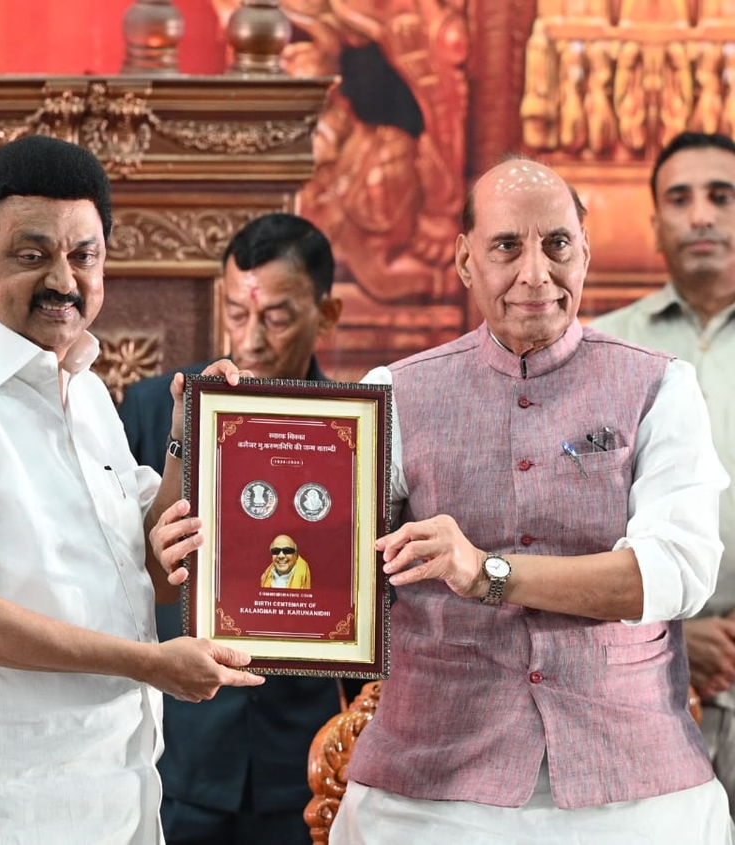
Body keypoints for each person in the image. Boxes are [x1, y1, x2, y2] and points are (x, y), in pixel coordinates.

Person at [158, 158, 734, 842]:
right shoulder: (395, 393)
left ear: (585, 251)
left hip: (633, 778)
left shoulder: (660, 386)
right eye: (505, 246)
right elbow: (318, 559)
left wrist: (486, 572)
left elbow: (674, 574)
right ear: (465, 261)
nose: (534, 274)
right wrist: (213, 479)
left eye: (556, 244)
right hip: (431, 778)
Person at [0, 135, 264, 845]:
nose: (64, 278)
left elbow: (151, 571)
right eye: (31, 254)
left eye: (85, 254)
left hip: (117, 787)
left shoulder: (83, 391)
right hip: (5, 805)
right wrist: (151, 664)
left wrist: (185, 434)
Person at [119, 212, 345, 845]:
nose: (250, 341)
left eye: (275, 316)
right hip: (180, 744)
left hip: (301, 750)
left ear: (327, 314)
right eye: (237, 315)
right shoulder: (153, 409)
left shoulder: (354, 429)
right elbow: (119, 560)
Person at [592, 130, 735, 813]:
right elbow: (574, 518)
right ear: (655, 223)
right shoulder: (605, 349)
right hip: (640, 676)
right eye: (680, 198)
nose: (701, 214)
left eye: (721, 196)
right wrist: (678, 627)